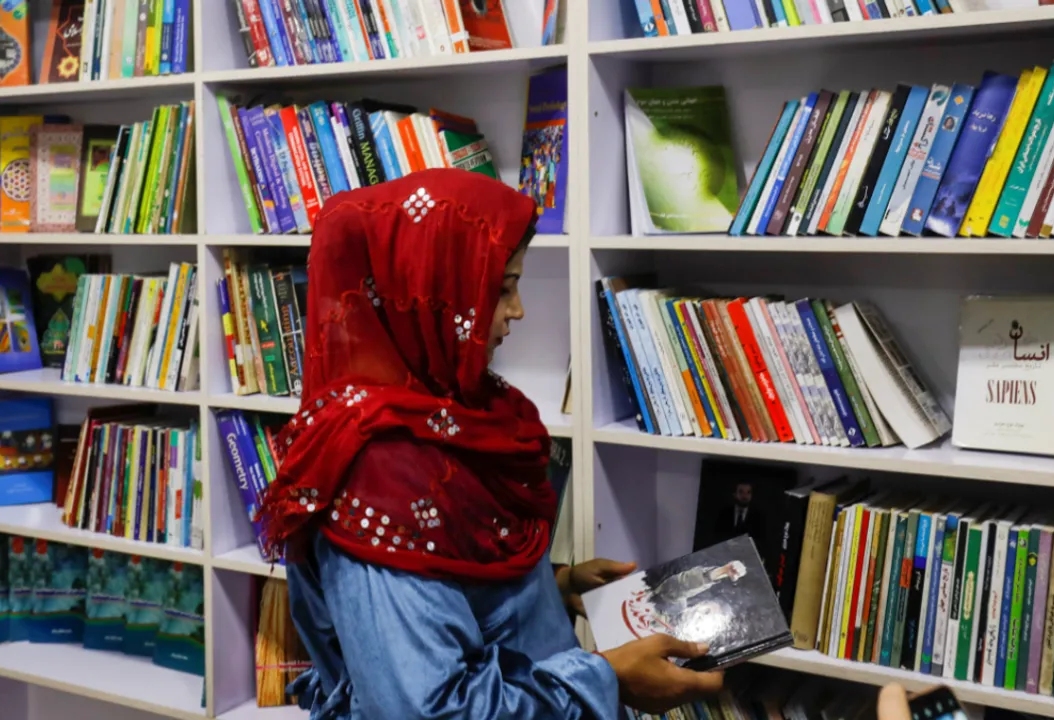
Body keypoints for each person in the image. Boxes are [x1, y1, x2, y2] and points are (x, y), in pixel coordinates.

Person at [257, 169, 725, 718]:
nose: (518, 310)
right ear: (428, 296)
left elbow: (445, 596)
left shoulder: (454, 414)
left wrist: (552, 587)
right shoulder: (378, 480)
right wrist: (607, 680)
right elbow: (425, 709)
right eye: (499, 289)